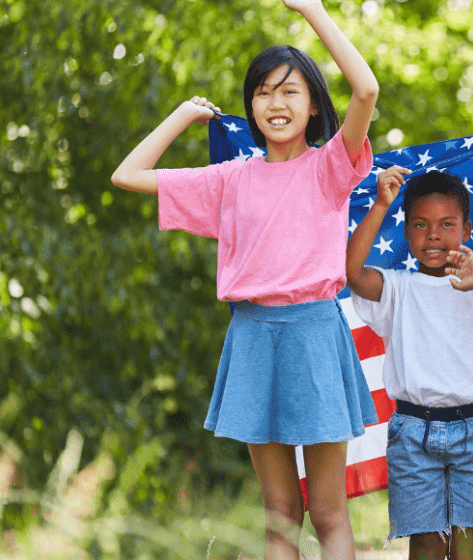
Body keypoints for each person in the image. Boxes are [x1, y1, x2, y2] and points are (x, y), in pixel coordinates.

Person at [110, 2, 379, 559]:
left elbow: (368, 90)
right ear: (250, 105)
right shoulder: (229, 179)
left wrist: (314, 11)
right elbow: (127, 175)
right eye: (263, 92)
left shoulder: (332, 166)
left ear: (312, 107)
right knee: (281, 514)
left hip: (314, 337)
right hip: (253, 338)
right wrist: (184, 115)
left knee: (328, 512)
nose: (275, 103)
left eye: (290, 92)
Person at [346, 167, 473, 560]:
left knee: (466, 544)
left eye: (446, 224)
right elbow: (352, 274)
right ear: (407, 233)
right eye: (421, 225)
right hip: (412, 432)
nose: (434, 235)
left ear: (468, 230)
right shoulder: (398, 289)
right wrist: (381, 203)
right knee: (425, 542)